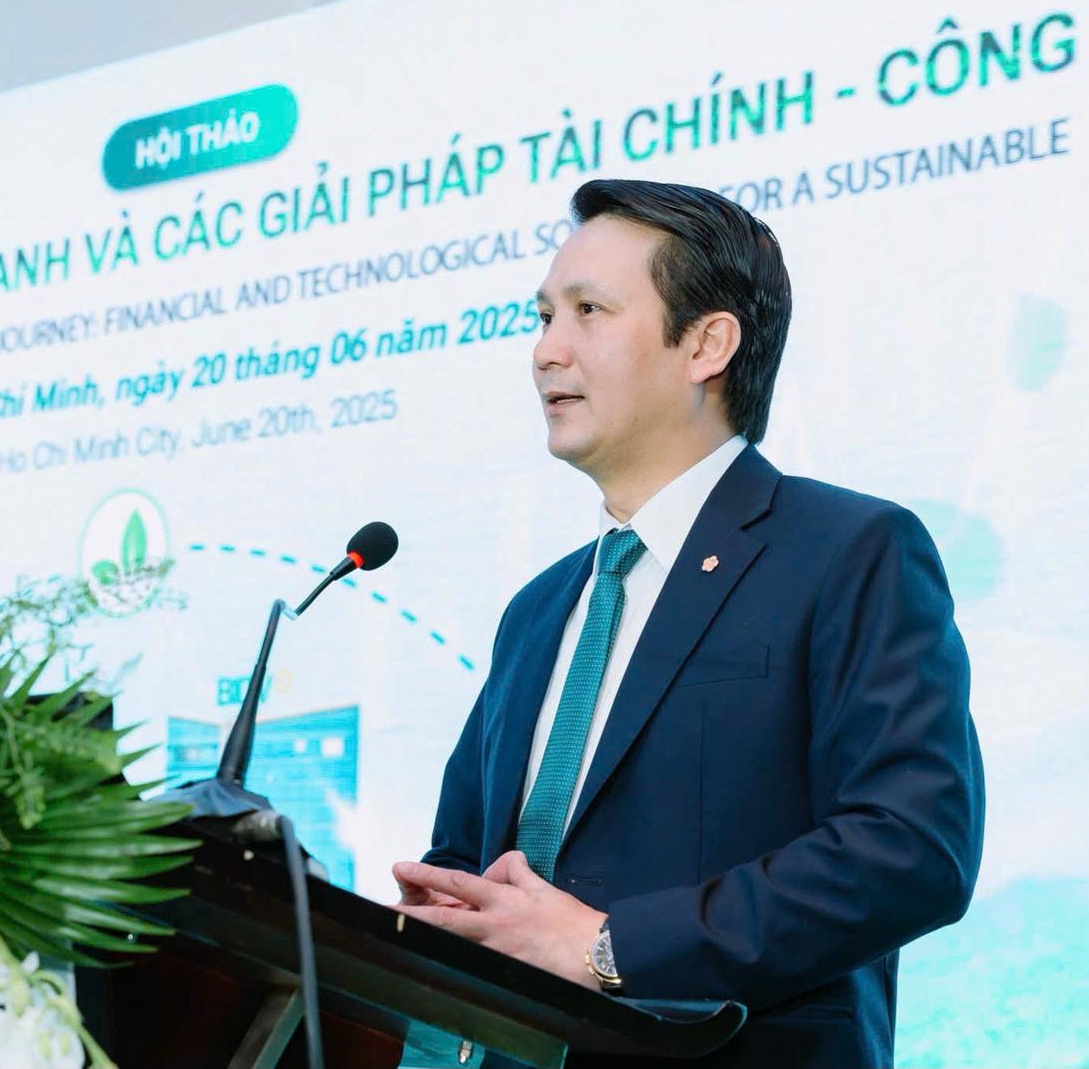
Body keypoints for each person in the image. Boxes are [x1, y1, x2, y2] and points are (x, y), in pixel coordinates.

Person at [391, 178, 985, 1068]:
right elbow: (468, 868)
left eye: (589, 311)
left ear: (707, 343)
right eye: (543, 316)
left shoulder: (847, 551)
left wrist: (609, 947)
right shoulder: (538, 611)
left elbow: (910, 849)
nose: (546, 351)